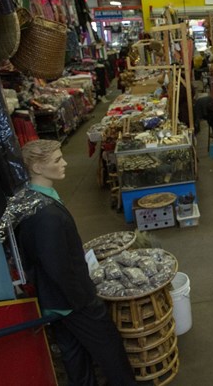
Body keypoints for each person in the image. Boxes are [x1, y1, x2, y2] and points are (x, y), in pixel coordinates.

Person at [15, 139, 136, 386]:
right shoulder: (46, 215)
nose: (65, 163)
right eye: (57, 160)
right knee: (109, 348)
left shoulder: (30, 199)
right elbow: (57, 266)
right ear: (37, 167)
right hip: (73, 300)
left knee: (73, 354)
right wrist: (84, 299)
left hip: (52, 300)